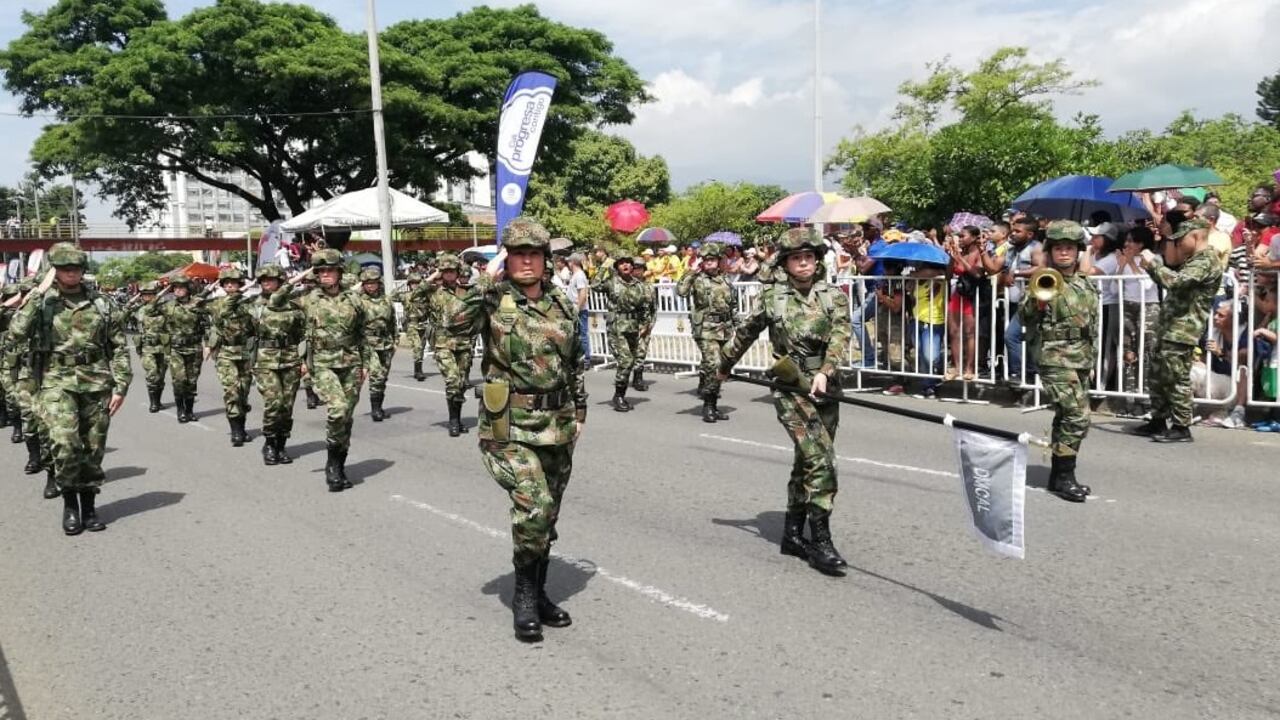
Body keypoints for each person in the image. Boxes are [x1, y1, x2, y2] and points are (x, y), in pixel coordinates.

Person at [444, 217, 587, 642]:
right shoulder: (492, 299)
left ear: (546, 260)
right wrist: (483, 281)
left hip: (556, 425)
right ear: (507, 259)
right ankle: (523, 597)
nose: (527, 261)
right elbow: (453, 325)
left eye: (534, 254)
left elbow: (572, 362)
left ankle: (540, 593)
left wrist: (580, 412)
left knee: (549, 517)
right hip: (508, 427)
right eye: (518, 254)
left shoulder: (561, 303)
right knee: (535, 507)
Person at [716, 227, 852, 575]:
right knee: (822, 461)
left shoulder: (833, 296)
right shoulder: (772, 298)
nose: (804, 263)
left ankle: (792, 533)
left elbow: (840, 334)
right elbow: (746, 332)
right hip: (791, 388)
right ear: (786, 264)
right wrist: (721, 368)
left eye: (809, 257)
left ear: (817, 260)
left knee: (805, 460)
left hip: (827, 386)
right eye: (796, 258)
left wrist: (826, 370)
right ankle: (821, 541)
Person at [9, 243, 131, 534]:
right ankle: (70, 505)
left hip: (96, 382)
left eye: (75, 268)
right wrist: (37, 294)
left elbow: (119, 346)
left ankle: (89, 508)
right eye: (64, 268)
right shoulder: (43, 302)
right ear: (55, 270)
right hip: (55, 381)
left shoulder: (102, 303)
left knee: (93, 447)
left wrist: (122, 385)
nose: (71, 273)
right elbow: (16, 332)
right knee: (64, 444)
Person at [1017, 221, 1098, 503]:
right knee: (1078, 416)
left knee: (1065, 415)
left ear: (1078, 252)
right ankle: (1065, 476)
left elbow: (1092, 324)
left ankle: (1057, 475)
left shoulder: (1085, 283)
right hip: (1055, 356)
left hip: (1081, 357)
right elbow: (1024, 318)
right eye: (1059, 248)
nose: (1064, 252)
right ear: (1050, 251)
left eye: (1070, 248)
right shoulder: (1043, 280)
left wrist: (1093, 357)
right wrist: (1037, 303)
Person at [280, 249, 368, 491]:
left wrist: (367, 364)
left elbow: (362, 334)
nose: (325, 274)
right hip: (322, 363)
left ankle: (338, 464)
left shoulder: (353, 299)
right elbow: (276, 300)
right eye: (320, 271)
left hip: (350, 363)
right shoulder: (308, 298)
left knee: (346, 417)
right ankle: (332, 466)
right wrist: (302, 275)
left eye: (330, 270)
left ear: (340, 272)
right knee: (338, 410)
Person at [1133, 217, 1222, 442]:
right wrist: (1152, 268)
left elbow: (1177, 282)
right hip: (1170, 325)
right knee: (1158, 373)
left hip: (1183, 328)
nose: (1178, 244)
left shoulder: (1206, 260)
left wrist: (1154, 264)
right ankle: (1159, 420)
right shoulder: (1194, 259)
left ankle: (1181, 426)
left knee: (1175, 376)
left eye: (1181, 239)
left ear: (1195, 236)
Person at [249, 264, 305, 466]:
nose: (267, 283)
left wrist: (304, 358)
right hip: (265, 359)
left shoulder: (295, 306)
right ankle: (270, 444)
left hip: (290, 358)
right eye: (263, 280)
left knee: (287, 406)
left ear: (280, 281)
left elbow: (303, 333)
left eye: (271, 279)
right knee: (274, 403)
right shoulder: (254, 304)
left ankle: (281, 445)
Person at [420, 253, 479, 437]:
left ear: (457, 271)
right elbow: (415, 294)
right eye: (444, 271)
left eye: (451, 271)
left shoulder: (467, 291)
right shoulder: (433, 291)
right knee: (452, 380)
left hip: (463, 343)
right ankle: (453, 421)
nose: (448, 275)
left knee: (461, 384)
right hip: (443, 343)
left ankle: (457, 418)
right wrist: (433, 274)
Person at [677, 242, 735, 422]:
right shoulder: (697, 278)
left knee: (722, 367)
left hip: (724, 329)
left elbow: (731, 305)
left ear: (718, 261)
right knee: (714, 364)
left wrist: (737, 324)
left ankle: (713, 404)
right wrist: (691, 271)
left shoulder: (725, 279)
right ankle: (708, 405)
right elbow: (681, 291)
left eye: (713, 260)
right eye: (706, 260)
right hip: (706, 329)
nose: (709, 263)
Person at [591, 255, 653, 412]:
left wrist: (645, 324)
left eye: (628, 263)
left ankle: (621, 394)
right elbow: (595, 285)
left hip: (633, 328)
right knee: (625, 361)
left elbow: (644, 307)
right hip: (617, 327)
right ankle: (618, 396)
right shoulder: (612, 282)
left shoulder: (638, 285)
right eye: (622, 263)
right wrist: (604, 267)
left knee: (631, 361)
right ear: (616, 266)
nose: (626, 266)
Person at [205, 268, 257, 446]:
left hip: (246, 352)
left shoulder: (249, 302)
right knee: (232, 391)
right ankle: (236, 432)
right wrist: (208, 288)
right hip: (226, 353)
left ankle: (241, 429)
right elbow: (196, 303)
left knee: (243, 392)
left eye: (233, 283)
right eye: (226, 283)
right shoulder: (217, 303)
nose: (230, 286)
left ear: (239, 284)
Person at [149, 274, 208, 424]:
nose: (178, 290)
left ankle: (189, 411)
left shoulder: (198, 304)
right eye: (175, 287)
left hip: (194, 347)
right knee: (179, 380)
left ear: (188, 289)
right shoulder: (169, 305)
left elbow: (207, 325)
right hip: (176, 349)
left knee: (192, 381)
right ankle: (180, 411)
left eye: (181, 287)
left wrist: (208, 344)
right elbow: (150, 308)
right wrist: (164, 290)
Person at [1000, 217, 1043, 385]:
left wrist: (1016, 273)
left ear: (1030, 234)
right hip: (1012, 300)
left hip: (1029, 301)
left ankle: (1017, 374)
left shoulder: (1036, 247)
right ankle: (1029, 373)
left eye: (1018, 231)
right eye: (1013, 230)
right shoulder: (1011, 249)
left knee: (1012, 336)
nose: (1013, 233)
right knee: (1026, 338)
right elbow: (1001, 268)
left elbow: (1040, 268)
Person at [944, 226, 987, 381]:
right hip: (958, 294)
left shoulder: (978, 254)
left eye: (963, 236)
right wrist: (952, 256)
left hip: (972, 296)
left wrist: (960, 259)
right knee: (954, 332)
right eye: (959, 236)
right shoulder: (961, 253)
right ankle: (956, 366)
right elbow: (948, 276)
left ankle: (970, 367)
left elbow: (977, 273)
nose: (960, 239)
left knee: (970, 333)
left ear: (974, 237)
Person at [355, 267, 396, 422]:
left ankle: (378, 405)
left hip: (385, 343)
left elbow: (392, 322)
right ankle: (375, 410)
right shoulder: (358, 301)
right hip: (367, 343)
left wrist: (395, 341)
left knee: (383, 376)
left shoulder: (386, 300)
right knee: (377, 376)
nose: (371, 286)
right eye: (367, 283)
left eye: (374, 283)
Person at [127, 282, 169, 413]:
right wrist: (135, 299)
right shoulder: (140, 309)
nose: (147, 297)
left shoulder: (164, 308)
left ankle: (158, 401)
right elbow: (125, 310)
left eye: (150, 295)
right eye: (144, 295)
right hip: (147, 347)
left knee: (161, 375)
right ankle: (153, 404)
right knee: (152, 374)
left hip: (162, 346)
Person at [626, 256, 657, 391]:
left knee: (641, 352)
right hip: (628, 324)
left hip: (645, 325)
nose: (637, 272)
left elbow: (654, 308)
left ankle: (638, 378)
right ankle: (624, 376)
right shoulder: (626, 285)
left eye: (640, 269)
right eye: (636, 268)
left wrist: (650, 325)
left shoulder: (649, 287)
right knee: (628, 353)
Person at [393, 273, 431, 381]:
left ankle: (417, 369)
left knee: (421, 347)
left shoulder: (425, 295)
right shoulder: (406, 295)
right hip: (411, 324)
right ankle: (419, 372)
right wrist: (402, 285)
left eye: (417, 283)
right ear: (410, 284)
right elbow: (392, 295)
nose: (415, 285)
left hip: (423, 323)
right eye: (413, 283)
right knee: (417, 346)